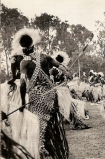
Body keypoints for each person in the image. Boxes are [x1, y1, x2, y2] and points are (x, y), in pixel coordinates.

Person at [17, 28, 70, 158]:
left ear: (23, 48)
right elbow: (61, 66)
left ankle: (41, 147)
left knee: (38, 121)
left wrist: (23, 102)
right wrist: (68, 73)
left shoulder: (24, 62)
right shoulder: (45, 57)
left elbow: (23, 84)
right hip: (50, 94)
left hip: (36, 96)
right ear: (33, 45)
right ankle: (52, 148)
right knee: (50, 120)